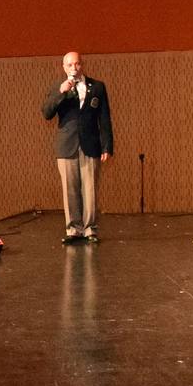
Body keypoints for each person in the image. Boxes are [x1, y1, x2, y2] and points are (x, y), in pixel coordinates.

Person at [41, 51, 115, 243]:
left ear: (82, 65)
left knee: (90, 188)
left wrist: (107, 146)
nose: (74, 68)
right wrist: (61, 92)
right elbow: (47, 113)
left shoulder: (97, 87)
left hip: (91, 144)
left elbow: (104, 118)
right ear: (64, 67)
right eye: (70, 65)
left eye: (77, 64)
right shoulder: (57, 87)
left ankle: (90, 229)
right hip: (67, 145)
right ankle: (74, 230)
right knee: (70, 189)